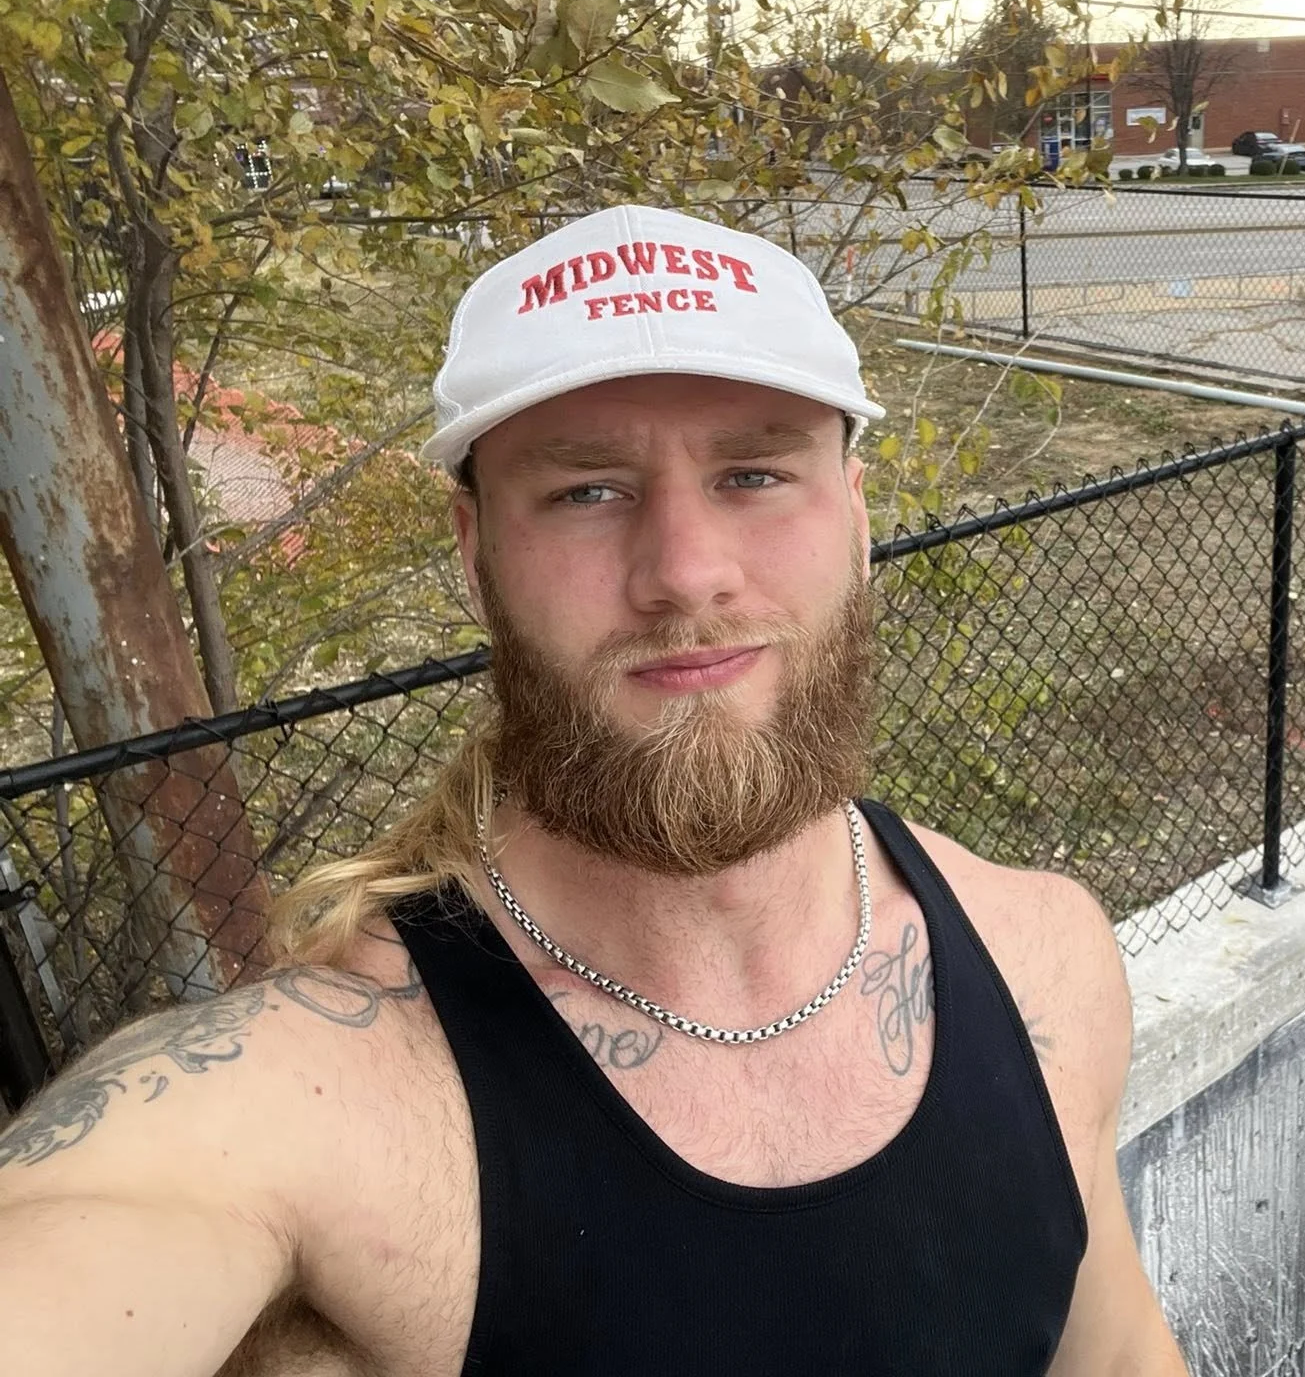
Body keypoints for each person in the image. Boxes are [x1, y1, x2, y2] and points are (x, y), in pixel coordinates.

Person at [0, 204, 1187, 1376]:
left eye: (756, 473)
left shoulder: (1043, 959)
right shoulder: (315, 1115)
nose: (683, 574)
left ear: (857, 516)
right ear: (476, 555)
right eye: (586, 492)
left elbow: (1121, 1354)